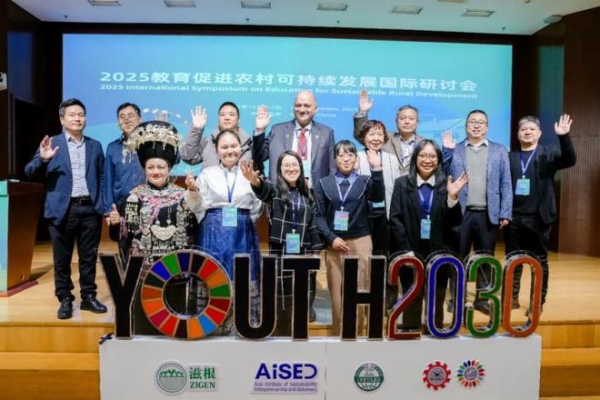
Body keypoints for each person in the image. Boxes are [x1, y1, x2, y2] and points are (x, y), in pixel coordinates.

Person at [108, 120, 201, 335]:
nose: (156, 171)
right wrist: (116, 224)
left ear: (169, 168)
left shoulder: (182, 195)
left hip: (176, 270)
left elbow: (192, 231)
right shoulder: (135, 197)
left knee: (176, 320)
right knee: (146, 320)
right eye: (151, 167)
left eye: (161, 167)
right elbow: (125, 235)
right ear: (144, 169)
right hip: (144, 271)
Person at [24, 98, 106, 320]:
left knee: (89, 258)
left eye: (81, 114)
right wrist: (43, 159)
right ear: (62, 119)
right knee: (62, 260)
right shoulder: (52, 143)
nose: (77, 118)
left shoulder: (95, 145)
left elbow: (101, 176)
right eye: (72, 114)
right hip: (62, 210)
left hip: (90, 210)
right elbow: (29, 171)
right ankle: (65, 299)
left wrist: (101, 205)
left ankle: (88, 297)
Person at [186, 130, 263, 331]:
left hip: (242, 235)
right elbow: (197, 207)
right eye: (224, 147)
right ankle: (211, 329)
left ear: (241, 148)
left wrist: (243, 222)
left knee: (243, 277)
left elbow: (257, 207)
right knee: (212, 278)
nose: (230, 151)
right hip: (212, 235)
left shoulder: (250, 172)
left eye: (233, 146)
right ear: (217, 150)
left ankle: (242, 328)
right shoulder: (207, 174)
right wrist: (193, 190)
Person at [240, 151, 324, 335]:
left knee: (303, 298)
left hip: (304, 252)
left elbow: (312, 224)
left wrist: (316, 251)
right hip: (280, 252)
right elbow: (263, 189)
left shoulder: (308, 194)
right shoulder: (275, 191)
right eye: (286, 165)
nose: (291, 169)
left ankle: (300, 339)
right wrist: (254, 180)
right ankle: (282, 336)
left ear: (300, 168)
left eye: (294, 165)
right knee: (282, 299)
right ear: (280, 169)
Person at [389, 140, 468, 329]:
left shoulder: (447, 185)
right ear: (415, 158)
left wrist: (452, 197)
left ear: (438, 160)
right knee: (411, 299)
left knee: (437, 300)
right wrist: (405, 251)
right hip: (411, 254)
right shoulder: (401, 184)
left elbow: (455, 222)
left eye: (432, 156)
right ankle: (411, 332)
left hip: (438, 254)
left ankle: (435, 334)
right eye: (422, 155)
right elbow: (396, 219)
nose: (427, 160)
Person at [442, 109, 512, 315]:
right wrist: (446, 151)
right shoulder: (455, 149)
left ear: (487, 127)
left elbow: (506, 183)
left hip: (487, 213)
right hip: (460, 213)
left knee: (485, 259)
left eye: (481, 122)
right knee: (458, 258)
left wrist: (505, 211)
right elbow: (443, 174)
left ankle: (482, 299)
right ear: (466, 126)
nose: (477, 125)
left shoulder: (499, 150)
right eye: (473, 121)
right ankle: (457, 299)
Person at [505, 114, 576, 312]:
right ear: (518, 134)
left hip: (539, 219)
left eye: (531, 129)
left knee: (539, 263)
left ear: (539, 133)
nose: (527, 132)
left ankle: (537, 303)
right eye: (523, 129)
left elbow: (570, 160)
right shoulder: (511, 157)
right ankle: (512, 299)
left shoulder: (548, 154)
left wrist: (563, 136)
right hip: (514, 218)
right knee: (513, 262)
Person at [314, 140, 384, 336]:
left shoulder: (365, 182)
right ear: (335, 159)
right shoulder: (323, 183)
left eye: (350, 154)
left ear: (356, 159)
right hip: (335, 244)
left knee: (360, 291)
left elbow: (379, 199)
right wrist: (331, 238)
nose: (346, 158)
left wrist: (376, 169)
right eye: (341, 155)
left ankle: (358, 337)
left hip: (360, 242)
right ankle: (339, 336)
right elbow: (318, 215)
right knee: (337, 294)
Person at [355, 119, 402, 309]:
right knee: (365, 258)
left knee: (386, 257)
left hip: (386, 216)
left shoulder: (391, 159)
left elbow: (396, 189)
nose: (376, 138)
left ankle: (389, 296)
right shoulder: (356, 157)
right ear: (363, 137)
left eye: (379, 134)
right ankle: (366, 296)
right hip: (363, 218)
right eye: (371, 134)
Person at [252, 90, 336, 186]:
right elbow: (259, 157)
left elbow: (333, 168)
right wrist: (260, 130)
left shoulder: (326, 133)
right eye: (298, 105)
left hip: (315, 192)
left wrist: (329, 191)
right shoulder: (277, 130)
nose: (302, 110)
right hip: (281, 192)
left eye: (307, 106)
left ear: (316, 109)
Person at [103, 102, 145, 267]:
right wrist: (108, 211)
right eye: (122, 117)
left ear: (140, 119)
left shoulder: (150, 144)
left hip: (149, 205)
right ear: (118, 122)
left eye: (131, 116)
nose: (127, 120)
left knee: (148, 249)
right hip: (122, 208)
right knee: (125, 250)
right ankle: (127, 282)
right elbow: (108, 180)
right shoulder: (112, 148)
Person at [353, 89, 423, 175]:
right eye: (402, 118)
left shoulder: (425, 143)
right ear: (396, 122)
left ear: (417, 122)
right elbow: (361, 134)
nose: (407, 122)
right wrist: (363, 111)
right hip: (387, 182)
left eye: (411, 118)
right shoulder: (386, 137)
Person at [180, 102, 254, 167]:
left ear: (238, 120)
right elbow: (189, 158)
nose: (226, 118)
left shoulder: (250, 145)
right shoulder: (208, 142)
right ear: (218, 119)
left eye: (231, 115)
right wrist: (196, 129)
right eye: (222, 115)